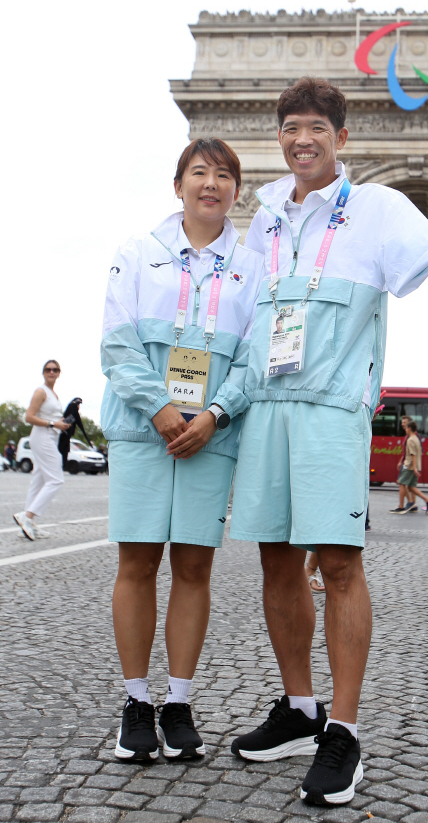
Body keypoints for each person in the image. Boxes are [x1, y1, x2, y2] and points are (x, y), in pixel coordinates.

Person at [228, 77, 428, 805]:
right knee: (274, 559)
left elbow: (422, 267)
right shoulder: (260, 218)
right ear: (280, 136)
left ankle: (344, 732)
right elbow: (242, 316)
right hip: (266, 406)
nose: (303, 140)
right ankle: (299, 708)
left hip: (329, 411)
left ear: (342, 138)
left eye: (317, 128)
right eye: (291, 127)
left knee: (340, 564)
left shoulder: (380, 210)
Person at [100, 138, 264, 762]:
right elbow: (116, 344)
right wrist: (163, 411)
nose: (212, 184)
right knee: (137, 564)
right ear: (178, 185)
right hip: (146, 431)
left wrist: (216, 414)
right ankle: (136, 701)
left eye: (224, 175)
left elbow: (253, 359)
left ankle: (179, 701)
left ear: (236, 192)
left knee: (195, 570)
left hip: (211, 436)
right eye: (200, 173)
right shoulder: (137, 254)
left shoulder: (253, 270)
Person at [14, 361, 70, 540]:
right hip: (42, 436)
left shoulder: (53, 394)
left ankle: (29, 523)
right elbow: (29, 417)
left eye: (55, 370)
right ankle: (27, 515)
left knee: (38, 480)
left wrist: (63, 421)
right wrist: (54, 423)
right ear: (43, 372)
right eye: (48, 369)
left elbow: (51, 416)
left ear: (59, 373)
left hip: (51, 436)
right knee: (56, 479)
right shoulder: (41, 391)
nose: (51, 372)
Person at [392, 421, 428, 514]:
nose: (405, 430)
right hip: (416, 465)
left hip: (409, 466)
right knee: (411, 487)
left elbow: (412, 454)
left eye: (406, 428)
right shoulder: (416, 438)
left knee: (402, 483)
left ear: (409, 428)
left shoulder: (410, 439)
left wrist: (413, 468)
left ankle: (401, 506)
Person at [58, 397, 92, 470]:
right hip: (63, 437)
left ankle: (62, 466)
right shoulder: (72, 414)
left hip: (65, 438)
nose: (78, 407)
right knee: (62, 452)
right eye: (78, 405)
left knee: (63, 453)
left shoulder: (71, 414)